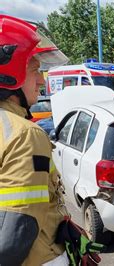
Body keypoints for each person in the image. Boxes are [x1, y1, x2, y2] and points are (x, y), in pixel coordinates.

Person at [0, 15, 70, 265]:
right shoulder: (24, 134)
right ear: (9, 74)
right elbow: (14, 238)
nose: (42, 80)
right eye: (34, 70)